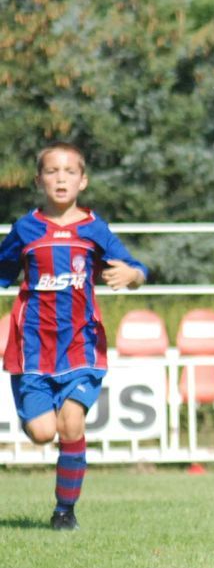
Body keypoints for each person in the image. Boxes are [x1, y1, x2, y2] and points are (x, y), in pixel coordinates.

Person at [0, 143, 148, 529]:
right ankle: (31, 410)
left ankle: (64, 511)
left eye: (69, 171)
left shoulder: (94, 229)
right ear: (39, 180)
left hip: (81, 346)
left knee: (71, 426)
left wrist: (132, 276)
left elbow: (135, 267)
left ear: (82, 180)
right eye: (52, 171)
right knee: (43, 432)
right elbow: (2, 270)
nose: (60, 178)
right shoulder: (25, 229)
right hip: (32, 349)